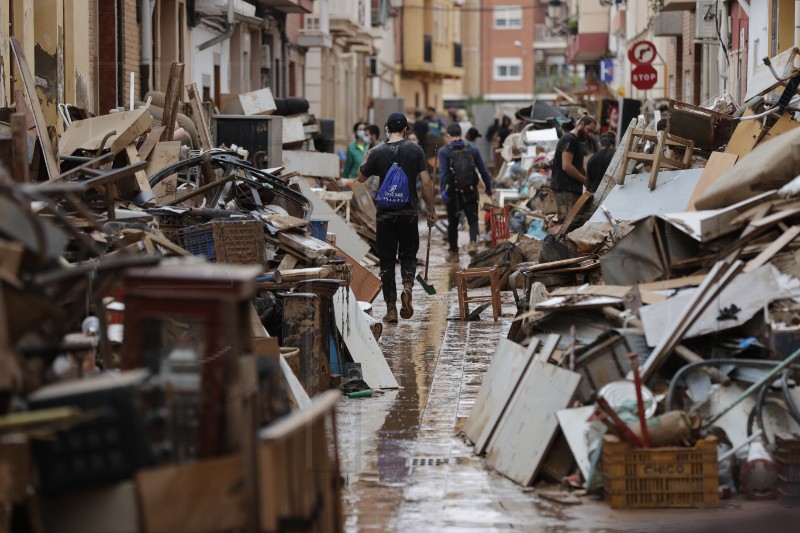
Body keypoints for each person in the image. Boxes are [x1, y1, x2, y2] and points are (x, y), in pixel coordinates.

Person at [357, 113, 436, 324]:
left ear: (386, 129)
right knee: (408, 256)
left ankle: (391, 309)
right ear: (406, 130)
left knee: (386, 262)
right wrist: (431, 209)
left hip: (385, 215)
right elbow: (427, 183)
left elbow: (360, 177)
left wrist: (368, 156)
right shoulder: (415, 150)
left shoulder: (378, 152)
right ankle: (408, 287)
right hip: (408, 214)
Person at [439, 123, 493, 257]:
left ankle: (454, 251)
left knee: (453, 222)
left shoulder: (444, 151)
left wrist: (442, 190)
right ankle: (473, 243)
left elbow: (444, 173)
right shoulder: (472, 149)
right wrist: (488, 188)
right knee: (473, 220)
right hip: (470, 191)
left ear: (448, 136)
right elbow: (483, 171)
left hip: (453, 192)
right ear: (461, 134)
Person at [551, 115, 597, 221]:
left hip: (571, 190)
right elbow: (567, 166)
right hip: (565, 190)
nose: (589, 134)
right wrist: (585, 180)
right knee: (566, 225)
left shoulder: (576, 142)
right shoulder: (569, 140)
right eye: (588, 130)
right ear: (581, 125)